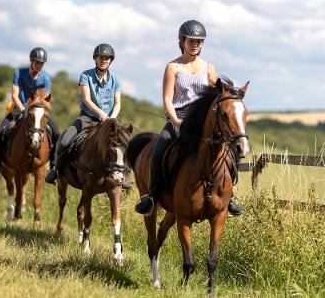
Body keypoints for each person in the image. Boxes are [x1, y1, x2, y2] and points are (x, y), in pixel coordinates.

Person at [135, 20, 246, 217]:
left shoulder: (209, 67)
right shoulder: (173, 67)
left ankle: (229, 197)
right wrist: (175, 120)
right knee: (160, 147)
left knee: (230, 149)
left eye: (198, 41)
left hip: (202, 122)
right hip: (179, 119)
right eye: (191, 41)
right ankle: (151, 196)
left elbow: (218, 92)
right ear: (182, 41)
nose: (195, 44)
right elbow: (167, 99)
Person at [45, 43, 122, 184]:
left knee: (124, 141)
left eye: (107, 58)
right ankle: (56, 170)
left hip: (109, 120)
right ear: (95, 59)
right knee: (65, 140)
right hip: (87, 117)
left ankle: (124, 177)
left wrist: (111, 118)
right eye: (101, 58)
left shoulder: (116, 80)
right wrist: (100, 113)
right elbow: (86, 99)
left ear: (111, 60)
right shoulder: (86, 75)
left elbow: (118, 103)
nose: (104, 60)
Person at [0, 47, 60, 174]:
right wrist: (23, 110)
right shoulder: (19, 73)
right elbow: (14, 95)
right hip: (19, 109)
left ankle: (53, 166)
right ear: (31, 61)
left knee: (56, 132)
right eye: (37, 62)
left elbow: (45, 100)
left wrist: (37, 110)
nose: (39, 65)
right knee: (1, 131)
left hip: (38, 112)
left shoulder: (46, 79)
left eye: (41, 63)